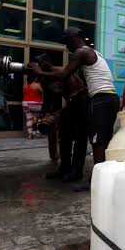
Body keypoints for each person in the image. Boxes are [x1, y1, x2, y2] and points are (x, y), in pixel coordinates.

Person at [31, 27, 120, 192]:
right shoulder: (92, 52)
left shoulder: (80, 52)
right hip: (109, 98)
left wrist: (39, 71)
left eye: (66, 42)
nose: (66, 47)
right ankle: (101, 178)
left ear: (73, 38)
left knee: (97, 141)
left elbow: (64, 74)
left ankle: (96, 181)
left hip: (101, 99)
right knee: (102, 141)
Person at [39, 55, 89, 183]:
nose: (56, 88)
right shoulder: (44, 80)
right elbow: (47, 101)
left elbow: (79, 94)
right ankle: (64, 168)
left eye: (57, 85)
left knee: (80, 138)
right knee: (64, 135)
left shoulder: (63, 72)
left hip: (82, 102)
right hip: (71, 104)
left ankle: (76, 171)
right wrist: (43, 116)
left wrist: (60, 113)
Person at [22, 74, 43, 139]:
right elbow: (43, 92)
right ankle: (38, 132)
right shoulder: (37, 85)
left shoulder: (25, 85)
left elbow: (24, 93)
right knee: (39, 117)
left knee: (29, 119)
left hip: (25, 103)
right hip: (36, 103)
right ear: (35, 78)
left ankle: (30, 134)